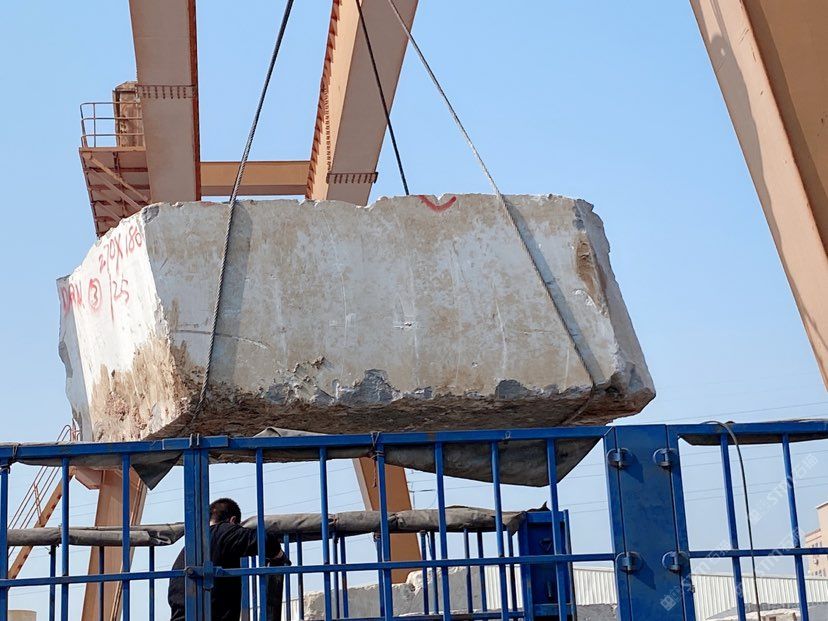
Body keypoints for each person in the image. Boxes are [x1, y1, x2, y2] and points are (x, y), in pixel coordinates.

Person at [168, 497, 288, 621]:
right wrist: (279, 557)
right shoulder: (224, 531)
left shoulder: (188, 550)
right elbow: (265, 541)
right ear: (233, 520)